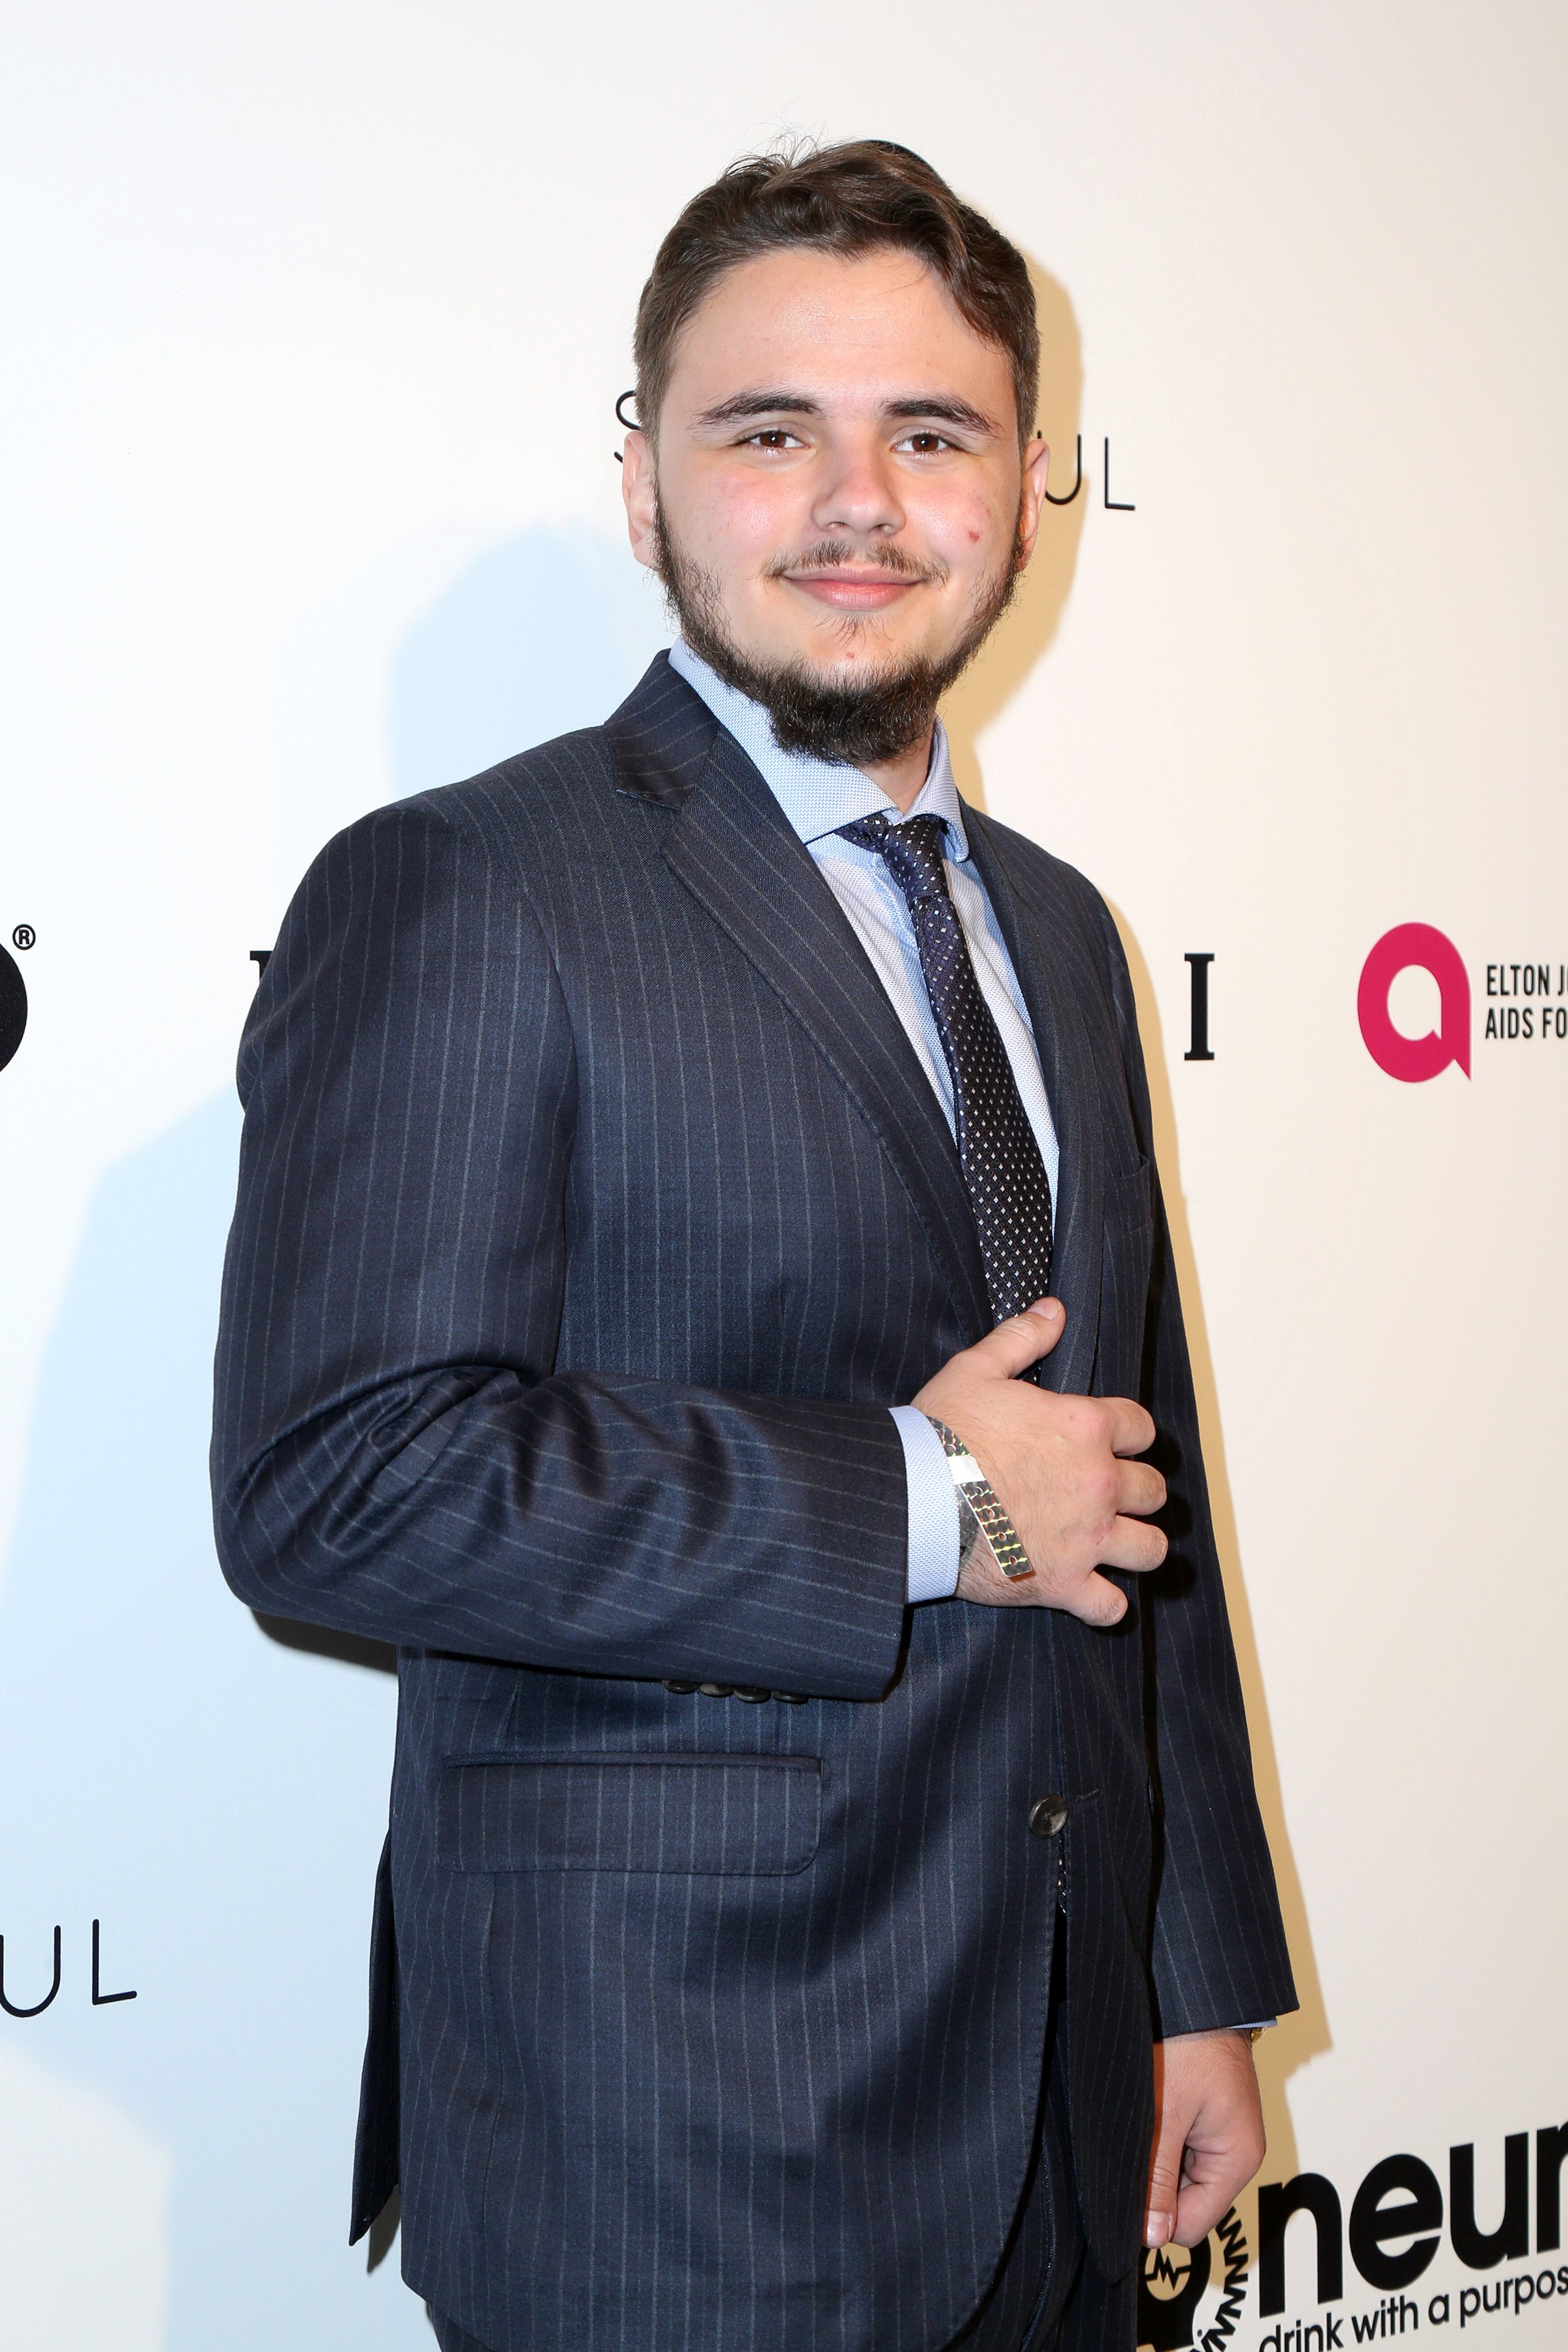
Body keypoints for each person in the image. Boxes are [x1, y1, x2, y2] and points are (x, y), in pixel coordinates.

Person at [211, 139, 1295, 2352]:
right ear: (646, 488)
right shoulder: (467, 887)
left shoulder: (1066, 934)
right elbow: (338, 1486)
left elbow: (1130, 1480)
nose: (857, 503)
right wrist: (928, 1500)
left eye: (930, 432)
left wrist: (1195, 1983)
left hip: (1062, 2114)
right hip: (676, 2141)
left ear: (1025, 485)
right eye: (767, 429)